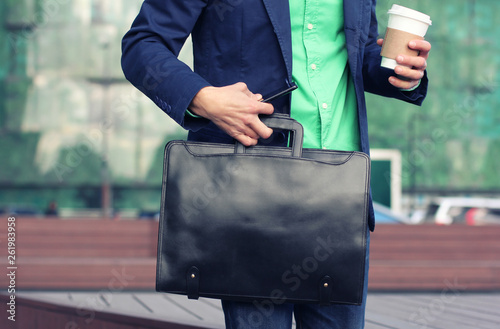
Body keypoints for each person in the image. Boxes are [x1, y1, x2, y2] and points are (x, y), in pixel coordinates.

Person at [121, 1, 431, 328]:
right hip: (252, 190)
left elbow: (357, 49)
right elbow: (143, 45)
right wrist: (204, 98)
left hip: (341, 191)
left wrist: (401, 72)